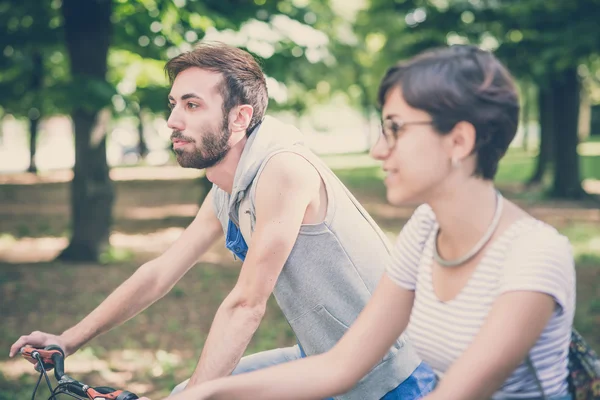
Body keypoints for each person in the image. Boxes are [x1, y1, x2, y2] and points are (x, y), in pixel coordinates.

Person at [9, 42, 436, 400]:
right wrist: (69, 339)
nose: (173, 120)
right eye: (174, 104)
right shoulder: (230, 187)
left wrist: (200, 392)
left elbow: (247, 304)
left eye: (193, 105)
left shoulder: (283, 170)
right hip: (320, 359)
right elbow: (159, 274)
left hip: (394, 378)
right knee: (186, 392)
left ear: (239, 118)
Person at [162, 44, 576, 400]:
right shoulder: (424, 230)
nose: (378, 150)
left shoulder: (533, 257)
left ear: (459, 141)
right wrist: (205, 390)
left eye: (395, 130)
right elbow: (339, 366)